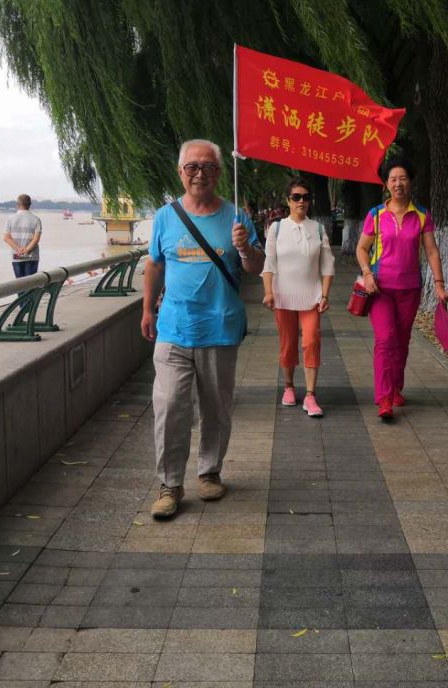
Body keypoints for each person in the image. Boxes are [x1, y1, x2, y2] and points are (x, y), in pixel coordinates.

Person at [141, 139, 264, 519]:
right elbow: (155, 264)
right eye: (192, 167)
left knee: (216, 408)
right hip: (173, 328)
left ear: (219, 173)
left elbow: (257, 268)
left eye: (208, 167)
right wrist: (147, 309)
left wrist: (245, 249)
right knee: (170, 407)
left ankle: (209, 471)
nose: (200, 174)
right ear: (180, 172)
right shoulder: (165, 217)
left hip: (219, 328)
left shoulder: (236, 217)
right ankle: (170, 484)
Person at [355, 157, 448, 419]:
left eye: (403, 179)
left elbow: (431, 251)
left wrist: (439, 285)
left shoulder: (421, 215)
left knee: (402, 341)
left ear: (410, 182)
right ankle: (384, 398)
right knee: (385, 340)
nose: (398, 184)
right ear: (386, 184)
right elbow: (361, 248)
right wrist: (367, 274)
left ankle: (396, 386)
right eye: (393, 179)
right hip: (380, 290)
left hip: (410, 289)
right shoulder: (376, 215)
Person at [261, 178, 335, 417]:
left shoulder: (318, 229)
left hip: (311, 297)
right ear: (288, 200)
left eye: (305, 197)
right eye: (296, 197)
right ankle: (289, 387)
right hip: (283, 297)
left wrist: (325, 294)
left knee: (311, 341)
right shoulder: (277, 229)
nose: (301, 201)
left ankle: (311, 395)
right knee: (288, 344)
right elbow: (269, 264)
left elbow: (327, 265)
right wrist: (269, 292)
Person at [3, 194, 42, 277]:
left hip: (17, 256)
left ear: (17, 205)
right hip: (32, 256)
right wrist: (26, 250)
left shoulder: (10, 219)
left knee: (20, 282)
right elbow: (36, 239)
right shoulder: (36, 219)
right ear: (30, 205)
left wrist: (18, 250)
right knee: (31, 282)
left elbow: (6, 238)